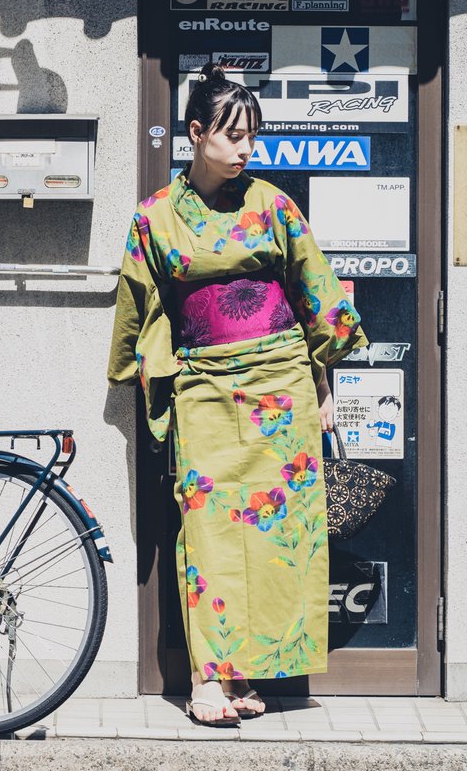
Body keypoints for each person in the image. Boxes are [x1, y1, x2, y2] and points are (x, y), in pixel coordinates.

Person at [107, 62, 367, 726]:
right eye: (232, 135)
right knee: (209, 531)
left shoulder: (273, 205)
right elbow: (139, 305)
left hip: (281, 383)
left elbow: (314, 294)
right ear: (196, 133)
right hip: (205, 387)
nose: (245, 148)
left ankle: (248, 674)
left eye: (252, 135)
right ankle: (207, 681)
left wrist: (324, 384)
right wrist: (148, 374)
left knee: (279, 530)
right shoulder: (155, 217)